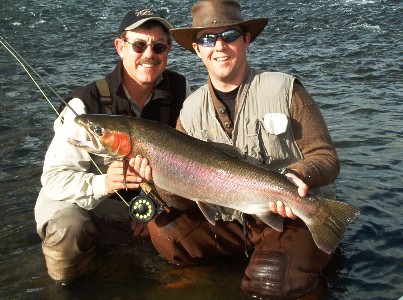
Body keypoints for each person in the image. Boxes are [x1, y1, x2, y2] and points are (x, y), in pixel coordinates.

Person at [146, 0, 340, 298]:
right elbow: (183, 202)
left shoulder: (285, 90)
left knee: (269, 283)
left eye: (230, 35)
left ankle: (309, 264)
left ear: (246, 39)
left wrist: (298, 175)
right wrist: (157, 178)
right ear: (197, 49)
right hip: (234, 217)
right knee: (165, 235)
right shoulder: (190, 111)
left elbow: (326, 157)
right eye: (208, 39)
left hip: (292, 215)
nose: (219, 46)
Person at [34, 8, 190, 285]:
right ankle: (67, 286)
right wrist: (104, 183)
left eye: (159, 46)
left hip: (142, 204)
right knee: (69, 228)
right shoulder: (85, 106)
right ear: (120, 47)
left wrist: (154, 209)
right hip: (80, 200)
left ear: (168, 51)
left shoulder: (180, 91)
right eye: (139, 45)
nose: (149, 54)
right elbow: (53, 179)